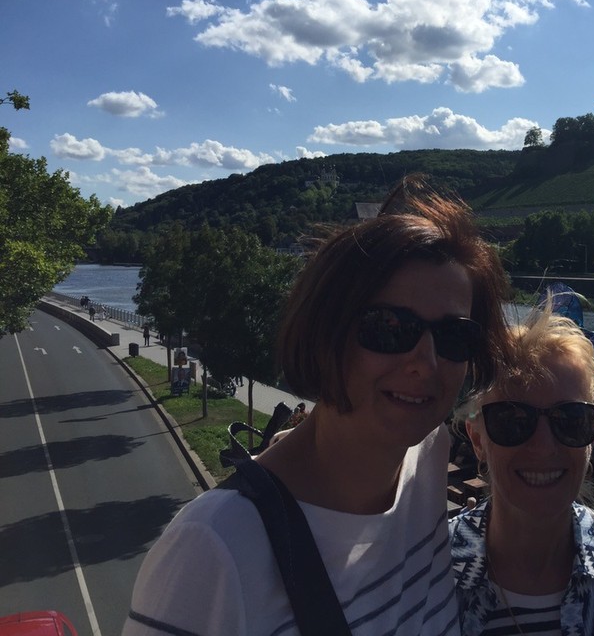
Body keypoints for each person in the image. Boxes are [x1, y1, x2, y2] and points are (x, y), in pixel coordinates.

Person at [123, 175, 510, 636]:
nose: (425, 363)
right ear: (325, 330)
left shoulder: (428, 457)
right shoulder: (213, 549)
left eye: (455, 336)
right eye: (389, 327)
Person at [449, 304, 594, 636]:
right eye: (513, 420)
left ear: (592, 438)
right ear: (477, 439)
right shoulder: (426, 571)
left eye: (572, 420)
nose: (544, 447)